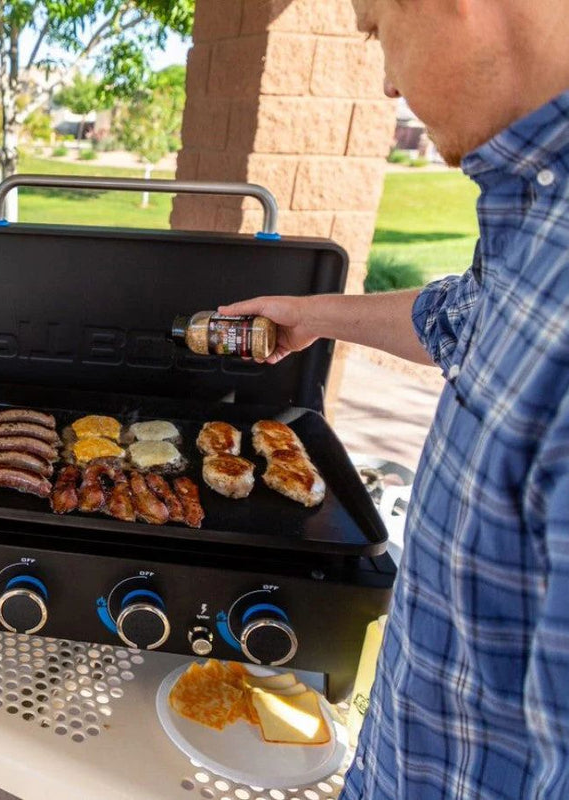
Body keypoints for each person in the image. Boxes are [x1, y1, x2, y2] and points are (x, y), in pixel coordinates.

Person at [220, 1, 569, 797]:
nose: (383, 82)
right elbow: (467, 319)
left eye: (376, 27)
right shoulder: (542, 216)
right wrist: (313, 317)